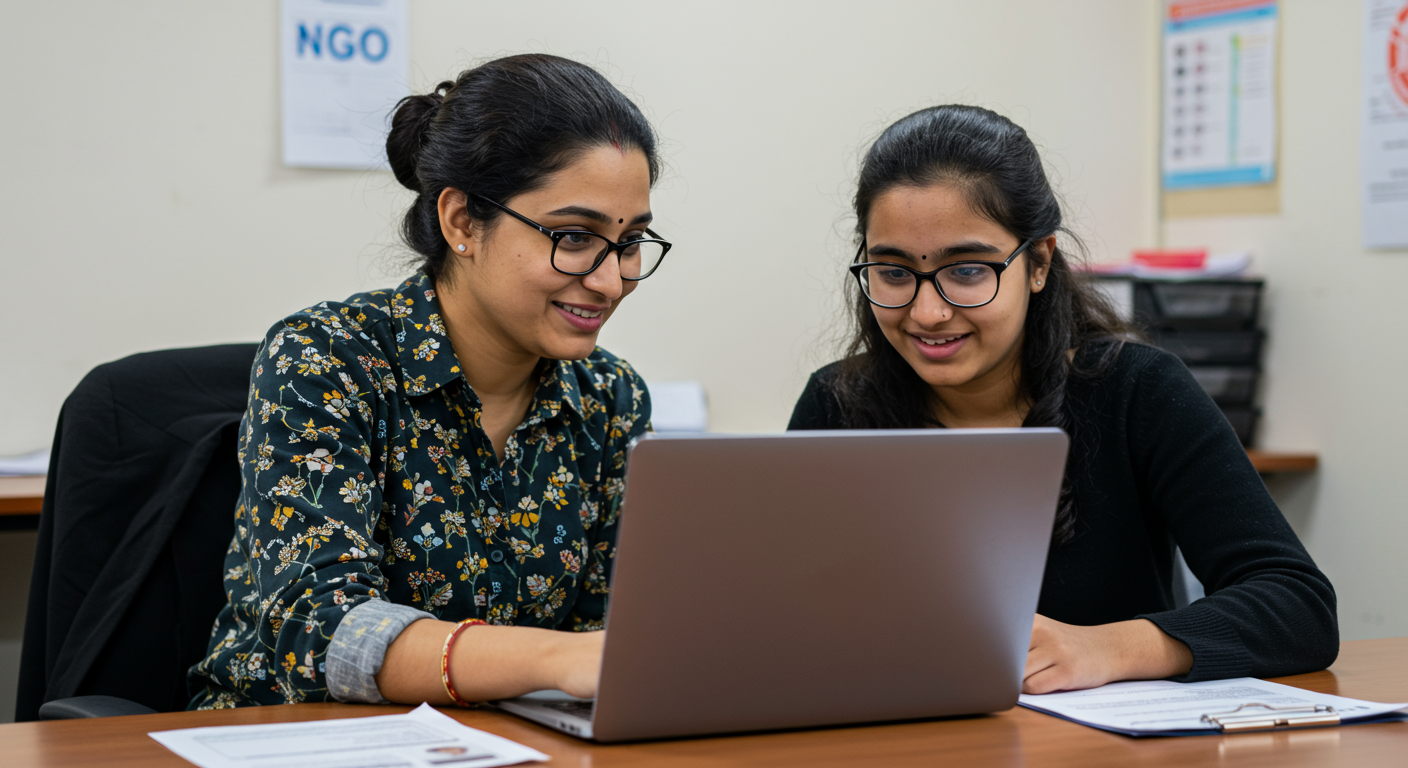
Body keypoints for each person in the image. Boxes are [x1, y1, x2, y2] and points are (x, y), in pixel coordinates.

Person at [789, 105, 1337, 694]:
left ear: (1040, 263)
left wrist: (1110, 646)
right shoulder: (835, 404)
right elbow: (775, 616)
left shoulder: (1138, 391)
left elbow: (1299, 608)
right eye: (894, 273)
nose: (929, 312)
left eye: (968, 271)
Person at [190, 54, 669, 708]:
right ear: (462, 221)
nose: (611, 281)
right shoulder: (327, 358)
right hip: (290, 740)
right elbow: (319, 628)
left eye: (631, 242)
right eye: (573, 237)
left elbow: (612, 635)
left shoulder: (611, 398)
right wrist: (555, 659)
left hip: (510, 745)